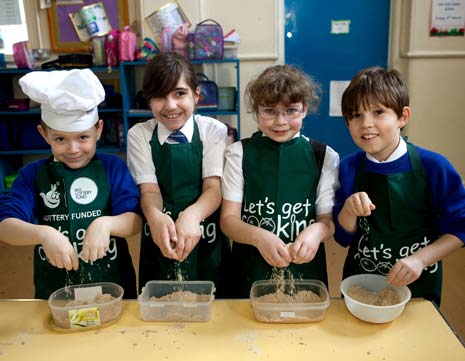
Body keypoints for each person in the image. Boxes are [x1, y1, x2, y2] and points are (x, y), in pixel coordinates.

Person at [0, 69, 141, 299]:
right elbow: (5, 225)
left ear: (99, 129)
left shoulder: (112, 167)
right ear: (44, 134)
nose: (73, 149)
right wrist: (44, 234)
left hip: (112, 286)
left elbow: (135, 221)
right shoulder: (31, 175)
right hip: (57, 289)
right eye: (60, 139)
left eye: (83, 137)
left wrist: (106, 224)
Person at [333, 66, 465, 305]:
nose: (366, 124)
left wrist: (421, 259)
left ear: (402, 116)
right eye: (356, 115)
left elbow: (460, 227)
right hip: (361, 284)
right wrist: (348, 212)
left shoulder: (434, 167)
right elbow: (343, 237)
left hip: (419, 284)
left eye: (378, 112)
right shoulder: (348, 168)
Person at [220, 64, 340, 298]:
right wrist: (259, 237)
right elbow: (228, 220)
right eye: (269, 111)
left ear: (304, 109)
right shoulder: (238, 153)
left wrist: (316, 232)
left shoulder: (324, 155)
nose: (280, 121)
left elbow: (327, 221)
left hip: (305, 268)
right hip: (250, 267)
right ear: (256, 110)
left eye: (291, 111)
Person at [126, 52, 230, 294]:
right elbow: (149, 190)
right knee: (162, 300)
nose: (170, 105)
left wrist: (192, 216)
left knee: (214, 301)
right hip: (160, 231)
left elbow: (213, 188)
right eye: (159, 96)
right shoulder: (139, 135)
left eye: (179, 93)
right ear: (148, 101)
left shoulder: (213, 130)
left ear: (196, 95)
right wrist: (154, 216)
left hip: (206, 232)